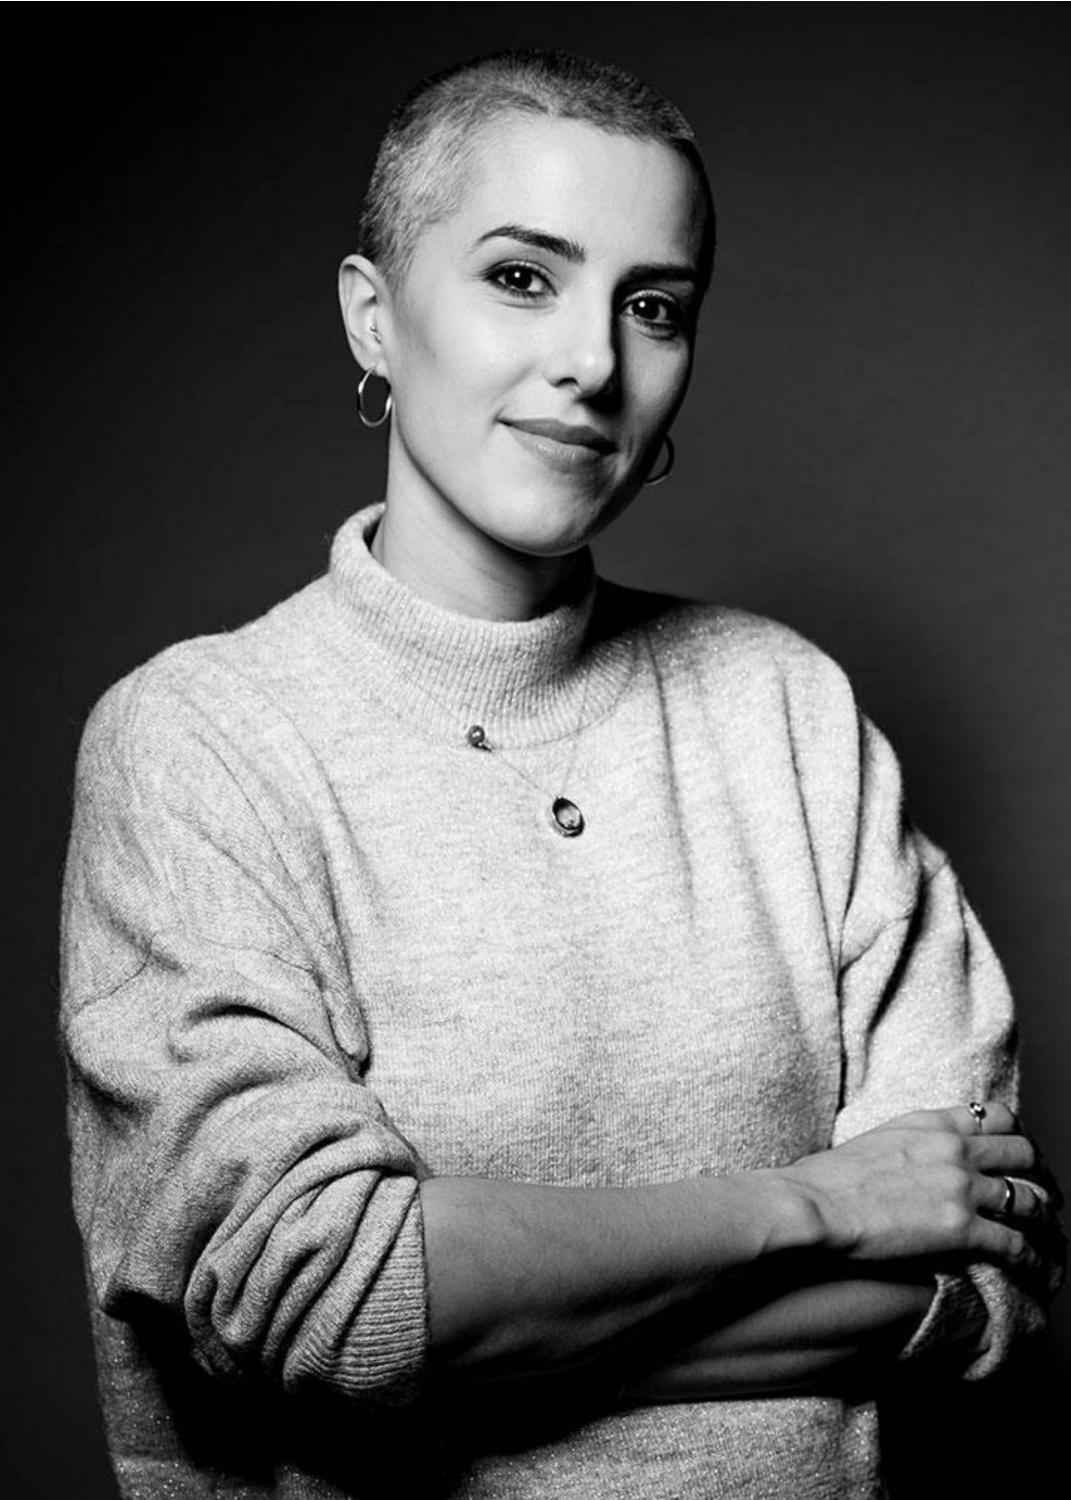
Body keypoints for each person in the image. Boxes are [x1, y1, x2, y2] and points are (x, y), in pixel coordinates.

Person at [61, 49, 1061, 1500]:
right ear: (374, 317)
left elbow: (982, 1270)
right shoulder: (203, 740)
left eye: (654, 306)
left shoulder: (788, 711)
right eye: (523, 278)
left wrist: (480, 1337)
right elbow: (328, 1304)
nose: (595, 361)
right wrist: (813, 1207)